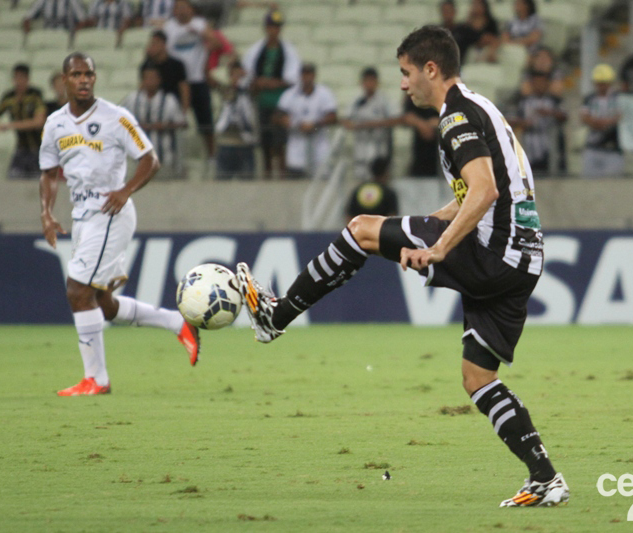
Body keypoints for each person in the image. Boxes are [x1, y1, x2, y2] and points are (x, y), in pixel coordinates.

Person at [235, 25, 568, 508]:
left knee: (361, 229)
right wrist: (438, 221)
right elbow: (487, 189)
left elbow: (485, 190)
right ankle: (545, 477)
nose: (402, 83)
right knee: (477, 378)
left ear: (431, 69)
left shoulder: (456, 118)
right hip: (524, 256)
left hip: (492, 250)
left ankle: (275, 316)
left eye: (406, 72)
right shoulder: (480, 107)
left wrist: (438, 247)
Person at [38, 52, 200, 396]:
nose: (84, 80)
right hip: (82, 217)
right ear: (64, 80)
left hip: (110, 212)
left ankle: (96, 379)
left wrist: (126, 190)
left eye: (89, 74)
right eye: (76, 74)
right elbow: (50, 172)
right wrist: (46, 212)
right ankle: (176, 322)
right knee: (104, 304)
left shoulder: (116, 117)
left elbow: (150, 159)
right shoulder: (55, 123)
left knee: (77, 291)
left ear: (95, 78)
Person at [242, 9, 301, 177]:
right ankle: (267, 173)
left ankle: (282, 173)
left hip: (281, 103)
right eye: (271, 26)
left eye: (276, 27)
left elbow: (292, 78)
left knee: (280, 141)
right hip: (262, 101)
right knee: (265, 142)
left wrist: (270, 83)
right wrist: (260, 83)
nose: (274, 30)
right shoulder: (256, 50)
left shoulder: (288, 51)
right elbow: (248, 75)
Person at [163, 0, 220, 160]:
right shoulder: (169, 27)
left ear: (191, 9)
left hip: (197, 80)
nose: (181, 11)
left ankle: (212, 156)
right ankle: (173, 157)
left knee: (206, 123)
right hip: (177, 82)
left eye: (184, 7)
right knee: (175, 120)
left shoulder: (200, 24)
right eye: (178, 8)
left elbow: (216, 43)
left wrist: (201, 35)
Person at [122, 65, 187, 178]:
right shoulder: (132, 99)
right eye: (147, 78)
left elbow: (182, 123)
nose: (150, 81)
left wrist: (164, 126)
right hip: (136, 161)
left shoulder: (169, 100)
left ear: (159, 80)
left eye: (153, 78)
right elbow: (117, 119)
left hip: (164, 158)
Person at [274, 63, 338, 178]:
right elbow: (277, 116)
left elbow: (333, 117)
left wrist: (315, 125)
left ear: (314, 76)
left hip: (319, 148)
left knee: (320, 181)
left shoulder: (324, 93)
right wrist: (291, 123)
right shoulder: (290, 94)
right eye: (304, 74)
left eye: (309, 74)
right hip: (296, 149)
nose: (307, 77)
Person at [0, 63, 47, 180]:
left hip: (38, 149)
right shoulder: (9, 97)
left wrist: (8, 126)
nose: (18, 81)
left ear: (27, 79)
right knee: (13, 181)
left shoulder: (35, 95)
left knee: (39, 183)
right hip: (21, 149)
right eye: (16, 78)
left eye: (22, 77)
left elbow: (38, 122)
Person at [342, 67, 401, 181]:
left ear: (377, 82)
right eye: (366, 81)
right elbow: (345, 120)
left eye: (372, 81)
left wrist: (372, 124)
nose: (369, 84)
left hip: (380, 146)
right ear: (362, 82)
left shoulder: (384, 100)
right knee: (361, 178)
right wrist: (357, 125)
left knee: (379, 178)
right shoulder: (356, 100)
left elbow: (396, 119)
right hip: (361, 146)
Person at [508, 69, 567, 175]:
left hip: (548, 143)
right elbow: (510, 120)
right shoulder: (523, 102)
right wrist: (524, 123)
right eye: (536, 83)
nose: (539, 85)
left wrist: (550, 113)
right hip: (528, 144)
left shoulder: (553, 101)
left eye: (542, 82)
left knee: (549, 173)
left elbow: (565, 116)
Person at [214, 59, 258, 180]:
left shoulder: (249, 92)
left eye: (239, 75)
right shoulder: (227, 90)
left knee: (247, 184)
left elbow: (256, 85)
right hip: (226, 142)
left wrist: (247, 76)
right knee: (221, 183)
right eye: (234, 75)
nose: (237, 78)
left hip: (245, 143)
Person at [580, 63, 623, 177]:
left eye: (604, 83)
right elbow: (584, 117)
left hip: (613, 147)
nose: (601, 86)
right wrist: (602, 123)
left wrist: (602, 122)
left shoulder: (618, 98)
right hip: (593, 146)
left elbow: (621, 116)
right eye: (599, 83)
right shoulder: (589, 98)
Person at [140, 30, 191, 112]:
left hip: (173, 107)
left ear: (164, 44)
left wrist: (184, 110)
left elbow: (184, 88)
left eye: (155, 43)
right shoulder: (146, 66)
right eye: (152, 43)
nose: (152, 46)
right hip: (154, 108)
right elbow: (143, 87)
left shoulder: (177, 65)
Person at [402, 95, 440, 177]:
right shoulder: (415, 92)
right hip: (419, 150)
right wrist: (421, 125)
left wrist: (437, 123)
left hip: (440, 152)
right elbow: (407, 116)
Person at [23, 0, 88, 33]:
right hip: (47, 33)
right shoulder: (43, 1)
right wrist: (28, 33)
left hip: (66, 32)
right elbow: (28, 17)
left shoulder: (72, 1)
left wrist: (73, 35)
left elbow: (82, 20)